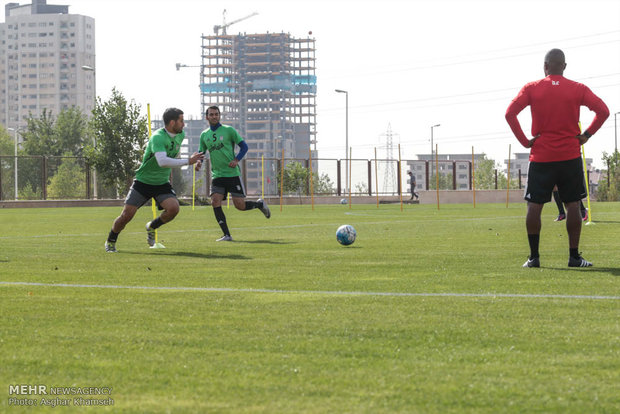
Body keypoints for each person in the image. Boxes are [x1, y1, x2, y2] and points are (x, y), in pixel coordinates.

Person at [505, 49, 609, 268]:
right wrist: (587, 135)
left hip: (541, 156)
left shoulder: (532, 88)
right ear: (564, 66)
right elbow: (603, 111)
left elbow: (509, 114)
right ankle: (574, 257)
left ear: (545, 66)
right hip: (569, 156)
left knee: (534, 205)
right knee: (573, 204)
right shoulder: (577, 88)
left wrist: (525, 141)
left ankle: (534, 258)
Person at [104, 108, 204, 252]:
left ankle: (151, 226)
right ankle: (111, 241)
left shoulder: (180, 135)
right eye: (181, 121)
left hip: (161, 183)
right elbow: (162, 161)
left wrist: (195, 160)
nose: (184, 124)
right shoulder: (158, 137)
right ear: (172, 122)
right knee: (127, 215)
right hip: (143, 182)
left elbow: (174, 158)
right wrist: (189, 161)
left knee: (173, 209)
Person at [200, 106, 270, 241]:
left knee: (240, 206)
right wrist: (198, 162)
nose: (214, 116)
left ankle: (260, 204)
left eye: (216, 114)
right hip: (217, 175)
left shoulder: (229, 131)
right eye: (211, 114)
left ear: (219, 116)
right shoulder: (204, 135)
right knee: (215, 201)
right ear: (206, 117)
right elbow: (201, 153)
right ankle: (227, 235)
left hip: (232, 174)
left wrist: (236, 159)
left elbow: (244, 147)